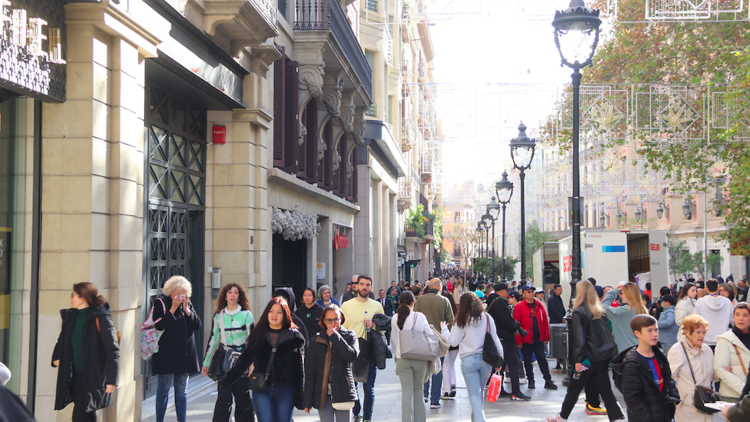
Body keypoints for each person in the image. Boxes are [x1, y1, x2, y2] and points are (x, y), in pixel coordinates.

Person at [547, 281, 624, 422]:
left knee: (574, 389)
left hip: (587, 359)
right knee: (605, 390)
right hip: (601, 356)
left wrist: (578, 360)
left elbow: (579, 339)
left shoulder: (579, 312)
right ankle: (617, 417)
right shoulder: (598, 311)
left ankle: (562, 417)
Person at [220, 297, 305, 422]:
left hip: (286, 390)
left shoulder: (295, 337)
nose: (274, 315)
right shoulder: (258, 334)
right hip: (261, 389)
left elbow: (300, 369)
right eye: (271, 311)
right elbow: (244, 360)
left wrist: (301, 396)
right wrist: (226, 380)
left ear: (285, 315)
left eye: (279, 312)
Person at [52, 282, 119, 422]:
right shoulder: (71, 317)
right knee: (87, 412)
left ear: (83, 298)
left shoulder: (101, 318)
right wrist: (56, 357)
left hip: (92, 375)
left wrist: (111, 380)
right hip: (73, 374)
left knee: (79, 414)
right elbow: (62, 339)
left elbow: (112, 350)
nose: (70, 298)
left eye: (73, 295)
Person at [441, 293, 502, 422]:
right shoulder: (487, 317)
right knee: (478, 393)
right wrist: (500, 358)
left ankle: (480, 420)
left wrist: (444, 330)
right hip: (487, 360)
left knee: (474, 393)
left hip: (469, 360)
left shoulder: (462, 320)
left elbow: (453, 341)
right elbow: (496, 340)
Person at [150, 276, 202, 422]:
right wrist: (172, 310)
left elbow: (197, 325)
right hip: (165, 355)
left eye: (184, 295)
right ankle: (159, 419)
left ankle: (182, 420)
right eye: (178, 294)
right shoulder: (160, 303)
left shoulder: (187, 304)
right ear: (170, 293)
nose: (181, 297)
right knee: (163, 390)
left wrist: (187, 310)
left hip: (184, 355)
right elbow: (159, 326)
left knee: (182, 392)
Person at [201, 283, 255, 422]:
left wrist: (253, 362)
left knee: (242, 399)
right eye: (230, 292)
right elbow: (213, 340)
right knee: (223, 399)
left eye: (236, 292)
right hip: (223, 360)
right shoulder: (218, 316)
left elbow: (253, 341)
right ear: (225, 296)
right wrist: (206, 362)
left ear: (239, 296)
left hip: (242, 360)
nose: (232, 295)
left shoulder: (246, 314)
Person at [303, 304, 359, 422]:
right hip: (323, 393)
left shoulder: (350, 336)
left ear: (341, 319)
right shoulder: (316, 341)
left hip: (343, 390)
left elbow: (351, 356)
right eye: (329, 320)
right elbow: (310, 372)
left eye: (336, 319)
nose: (333, 323)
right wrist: (307, 399)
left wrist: (335, 337)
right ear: (324, 320)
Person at [341, 275, 384, 422]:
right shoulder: (346, 306)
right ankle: (357, 413)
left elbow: (384, 328)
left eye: (368, 285)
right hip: (352, 351)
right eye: (362, 284)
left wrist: (373, 325)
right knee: (353, 386)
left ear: (371, 287)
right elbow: (342, 329)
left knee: (368, 388)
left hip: (370, 351)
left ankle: (367, 418)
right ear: (357, 286)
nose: (364, 287)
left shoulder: (377, 306)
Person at [618, 315, 675, 422]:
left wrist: (673, 398)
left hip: (664, 414)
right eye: (649, 330)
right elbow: (632, 398)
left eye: (656, 330)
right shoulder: (632, 362)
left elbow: (667, 379)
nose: (655, 334)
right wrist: (648, 418)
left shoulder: (659, 355)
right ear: (637, 333)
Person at [667, 314, 717, 422]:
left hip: (706, 404)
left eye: (704, 332)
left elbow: (713, 376)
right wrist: (677, 401)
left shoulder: (707, 350)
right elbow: (670, 379)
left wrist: (721, 371)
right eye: (698, 332)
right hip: (687, 407)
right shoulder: (677, 350)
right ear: (688, 332)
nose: (702, 336)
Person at [414, 278, 455, 408]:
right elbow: (451, 319)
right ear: (439, 288)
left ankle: (424, 394)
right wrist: (444, 331)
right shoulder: (444, 300)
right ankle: (435, 400)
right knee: (437, 368)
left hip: (423, 339)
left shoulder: (420, 300)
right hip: (438, 340)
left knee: (425, 368)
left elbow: (414, 316)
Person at [391, 291, 431, 422]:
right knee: (419, 390)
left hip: (403, 358)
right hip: (419, 358)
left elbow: (394, 340)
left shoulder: (395, 318)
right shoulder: (420, 316)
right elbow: (429, 335)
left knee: (406, 393)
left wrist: (397, 355)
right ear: (414, 302)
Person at [486, 282, 530, 401]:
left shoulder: (493, 302)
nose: (507, 293)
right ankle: (516, 392)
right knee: (514, 364)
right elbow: (506, 322)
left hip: (498, 338)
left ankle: (499, 390)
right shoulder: (499, 303)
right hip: (504, 338)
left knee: (500, 364)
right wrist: (514, 325)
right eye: (506, 291)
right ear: (502, 291)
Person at [514, 285, 558, 390]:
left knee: (542, 360)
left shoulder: (539, 305)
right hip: (526, 339)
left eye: (532, 291)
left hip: (538, 338)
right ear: (523, 294)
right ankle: (531, 380)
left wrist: (546, 337)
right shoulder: (519, 307)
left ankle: (548, 380)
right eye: (528, 292)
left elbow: (545, 323)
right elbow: (516, 325)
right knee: (528, 361)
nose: (531, 293)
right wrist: (518, 340)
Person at [714, 302, 750, 401]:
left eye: (745, 315)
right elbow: (720, 369)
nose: (741, 318)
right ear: (733, 317)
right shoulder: (725, 339)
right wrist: (745, 390)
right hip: (733, 396)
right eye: (737, 315)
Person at [602, 282, 648, 352]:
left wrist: (614, 292)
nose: (620, 296)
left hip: (626, 351)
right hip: (640, 349)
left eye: (622, 293)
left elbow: (602, 307)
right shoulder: (642, 309)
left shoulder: (625, 311)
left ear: (629, 295)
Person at [695, 278, 734, 349]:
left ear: (706, 288)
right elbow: (733, 320)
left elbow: (695, 320)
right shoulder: (727, 302)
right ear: (718, 288)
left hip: (706, 340)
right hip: (724, 339)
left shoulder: (700, 302)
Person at [440, 289, 460, 400]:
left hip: (445, 339)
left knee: (445, 366)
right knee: (451, 364)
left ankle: (446, 390)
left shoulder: (443, 311)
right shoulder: (457, 310)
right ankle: (453, 385)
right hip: (455, 341)